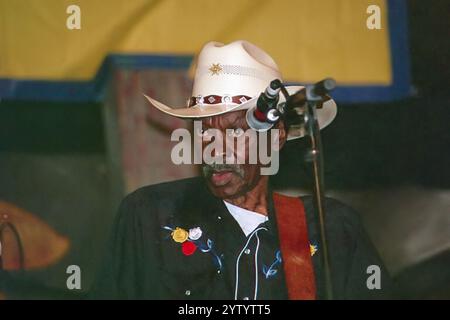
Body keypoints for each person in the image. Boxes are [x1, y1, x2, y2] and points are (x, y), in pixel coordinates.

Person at [90, 40, 392, 300]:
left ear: (276, 136)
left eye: (235, 131)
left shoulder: (331, 228)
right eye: (205, 131)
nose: (215, 149)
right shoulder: (149, 215)